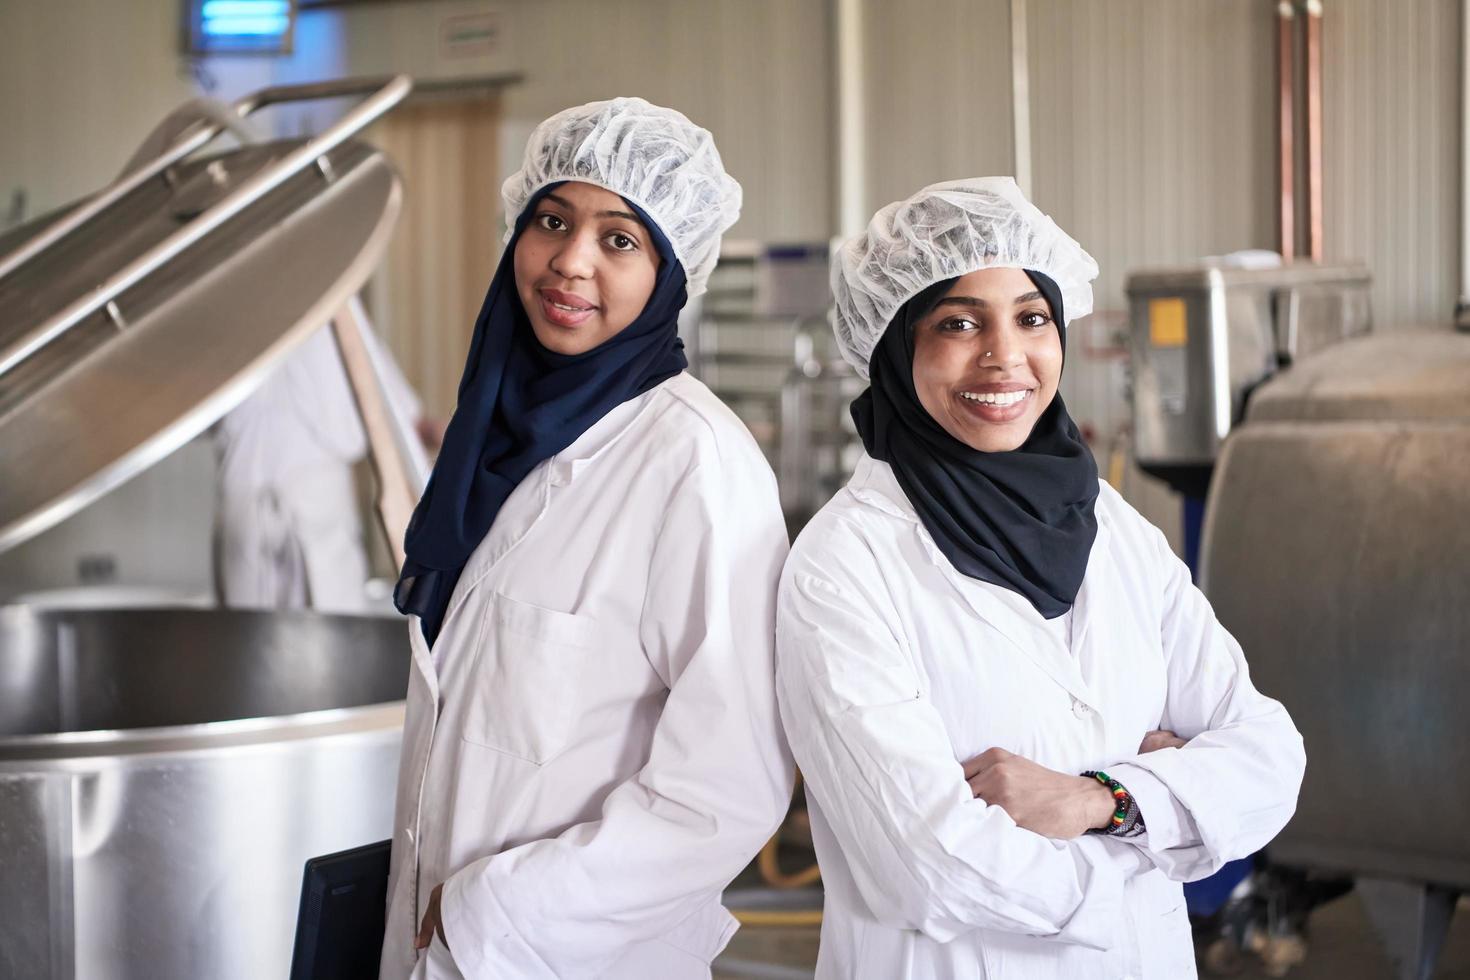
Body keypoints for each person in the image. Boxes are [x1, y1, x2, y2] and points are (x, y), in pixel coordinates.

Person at [774, 177, 1305, 979]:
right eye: (958, 323)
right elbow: (934, 865)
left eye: (1032, 318)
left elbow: (1268, 757)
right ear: (894, 345)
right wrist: (1165, 819)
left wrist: (1099, 800)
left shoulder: (1113, 527)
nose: (1006, 357)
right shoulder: (844, 563)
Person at [380, 98, 794, 979]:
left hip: (563, 948)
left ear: (669, 273)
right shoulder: (497, 437)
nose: (569, 262)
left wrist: (488, 910)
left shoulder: (696, 465)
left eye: (619, 240)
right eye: (552, 222)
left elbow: (730, 783)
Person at [213, 321, 430, 612]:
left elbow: (399, 415)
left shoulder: (339, 316)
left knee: (331, 635)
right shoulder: (230, 321)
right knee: (246, 638)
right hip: (245, 502)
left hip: (320, 510)